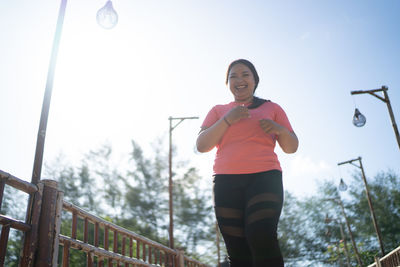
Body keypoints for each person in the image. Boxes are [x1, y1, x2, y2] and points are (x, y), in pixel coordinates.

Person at [196, 59, 298, 267]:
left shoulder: (272, 107)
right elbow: (201, 144)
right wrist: (227, 119)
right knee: (237, 250)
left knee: (261, 235)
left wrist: (278, 129)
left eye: (245, 74)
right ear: (227, 84)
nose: (239, 80)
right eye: (233, 76)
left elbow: (291, 146)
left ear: (254, 80)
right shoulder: (218, 110)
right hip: (226, 181)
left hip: (265, 177)